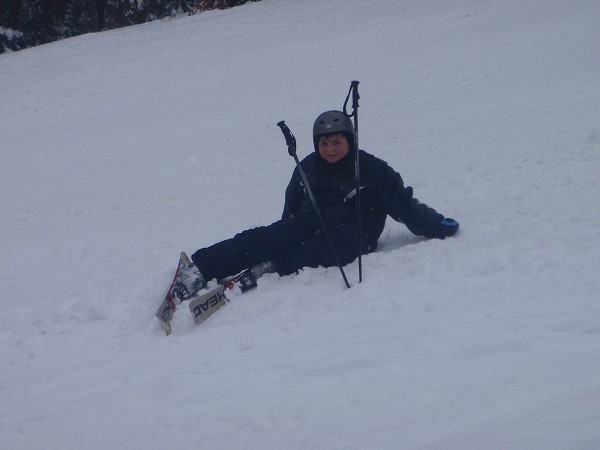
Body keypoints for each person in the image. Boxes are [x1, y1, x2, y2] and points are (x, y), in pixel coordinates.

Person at [173, 110, 459, 300]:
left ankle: (275, 267)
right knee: (266, 237)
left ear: (349, 140)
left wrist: (437, 225)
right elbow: (291, 207)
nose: (330, 149)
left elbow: (404, 206)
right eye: (324, 143)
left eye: (336, 142)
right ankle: (202, 267)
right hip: (309, 222)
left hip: (354, 232)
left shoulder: (372, 169)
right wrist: (281, 237)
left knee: (321, 248)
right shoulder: (307, 166)